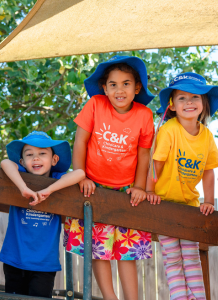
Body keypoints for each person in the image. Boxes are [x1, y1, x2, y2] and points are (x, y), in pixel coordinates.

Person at [64, 56, 155, 300]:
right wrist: (80, 176)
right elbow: (80, 141)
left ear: (137, 88)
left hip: (126, 191)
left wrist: (139, 187)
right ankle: (109, 297)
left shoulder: (144, 115)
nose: (119, 89)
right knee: (98, 248)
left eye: (126, 83)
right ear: (104, 88)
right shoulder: (95, 104)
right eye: (112, 84)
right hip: (93, 187)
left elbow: (144, 153)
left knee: (126, 250)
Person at [147, 72, 218, 300]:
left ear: (204, 104)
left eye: (195, 97)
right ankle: (180, 298)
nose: (189, 102)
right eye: (182, 98)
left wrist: (208, 200)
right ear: (172, 104)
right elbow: (157, 163)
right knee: (172, 255)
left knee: (191, 255)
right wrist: (150, 191)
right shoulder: (169, 129)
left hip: (189, 205)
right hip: (164, 202)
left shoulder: (207, 136)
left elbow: (209, 171)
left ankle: (197, 297)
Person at [0, 131, 85, 298]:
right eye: (29, 154)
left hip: (44, 263)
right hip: (14, 258)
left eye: (42, 153)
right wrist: (23, 188)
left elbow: (80, 174)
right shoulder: (19, 175)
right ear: (22, 161)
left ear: (54, 160)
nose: (35, 158)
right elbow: (5, 162)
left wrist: (49, 190)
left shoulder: (58, 179)